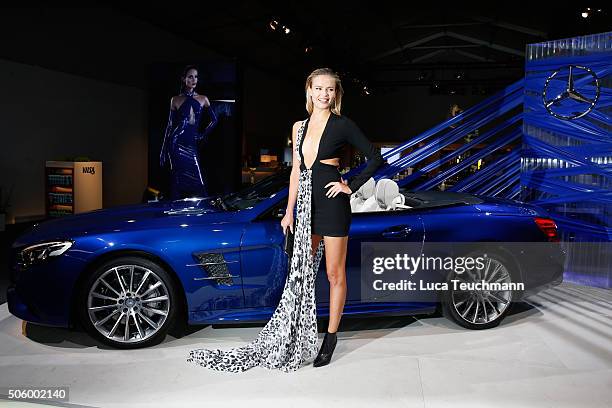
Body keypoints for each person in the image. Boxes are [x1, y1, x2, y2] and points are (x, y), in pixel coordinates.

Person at [186, 68, 384, 372]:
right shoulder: (299, 127)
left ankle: (329, 339)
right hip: (305, 205)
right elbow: (295, 172)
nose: (324, 95)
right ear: (309, 91)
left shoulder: (343, 125)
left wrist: (349, 186)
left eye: (330, 90)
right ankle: (300, 331)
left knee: (334, 274)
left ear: (336, 94)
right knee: (302, 274)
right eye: (319, 89)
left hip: (332, 205)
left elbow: (375, 157)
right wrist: (289, 210)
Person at [159, 65, 218, 199]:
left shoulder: (203, 98)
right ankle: (174, 211)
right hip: (176, 143)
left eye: (196, 77)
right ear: (183, 79)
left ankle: (204, 215)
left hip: (191, 144)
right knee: (176, 180)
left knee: (200, 184)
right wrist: (163, 151)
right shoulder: (175, 99)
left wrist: (203, 134)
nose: (194, 80)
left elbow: (214, 120)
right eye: (190, 77)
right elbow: (169, 126)